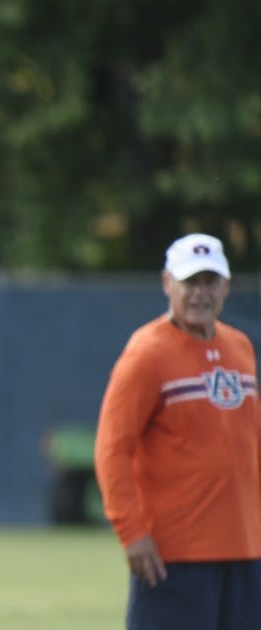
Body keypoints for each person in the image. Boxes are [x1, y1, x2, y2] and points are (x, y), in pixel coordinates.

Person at [94, 233, 261, 629]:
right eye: (190, 282)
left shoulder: (240, 347)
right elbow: (112, 447)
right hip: (178, 554)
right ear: (168, 283)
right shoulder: (147, 353)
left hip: (246, 548)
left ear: (226, 285)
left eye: (209, 282)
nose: (200, 293)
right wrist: (131, 532)